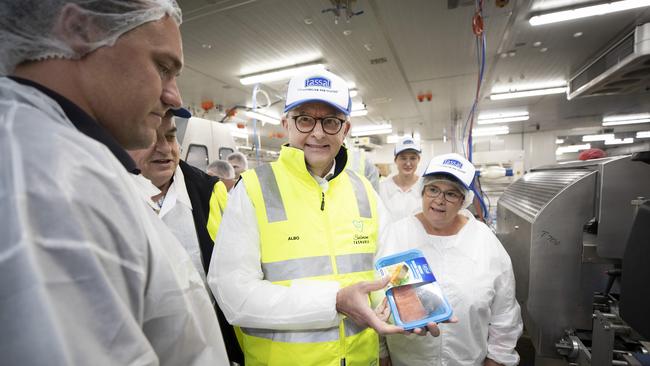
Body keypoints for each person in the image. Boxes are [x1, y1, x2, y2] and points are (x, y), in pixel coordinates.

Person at [0, 1, 228, 364]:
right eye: (162, 66)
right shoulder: (47, 176)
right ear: (80, 29)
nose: (174, 96)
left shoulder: (73, 161)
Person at [208, 69, 442, 366]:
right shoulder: (253, 190)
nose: (317, 133)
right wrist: (332, 301)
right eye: (305, 119)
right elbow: (232, 294)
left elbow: (389, 272)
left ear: (345, 130)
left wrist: (413, 310)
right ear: (286, 125)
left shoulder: (365, 192)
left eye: (330, 121)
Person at [377, 153, 523, 366]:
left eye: (451, 194)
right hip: (406, 361)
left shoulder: (484, 241)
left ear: (464, 200)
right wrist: (382, 353)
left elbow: (504, 311)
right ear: (423, 191)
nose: (439, 200)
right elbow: (377, 299)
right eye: (433, 189)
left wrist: (497, 359)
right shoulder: (396, 236)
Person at [128, 110, 244, 365]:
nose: (164, 149)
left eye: (170, 137)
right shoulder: (108, 196)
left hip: (211, 348)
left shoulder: (209, 193)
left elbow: (232, 274)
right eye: (151, 138)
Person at [378, 136, 423, 220]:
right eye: (403, 158)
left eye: (413, 158)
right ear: (395, 160)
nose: (408, 163)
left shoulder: (426, 187)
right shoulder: (383, 188)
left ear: (418, 160)